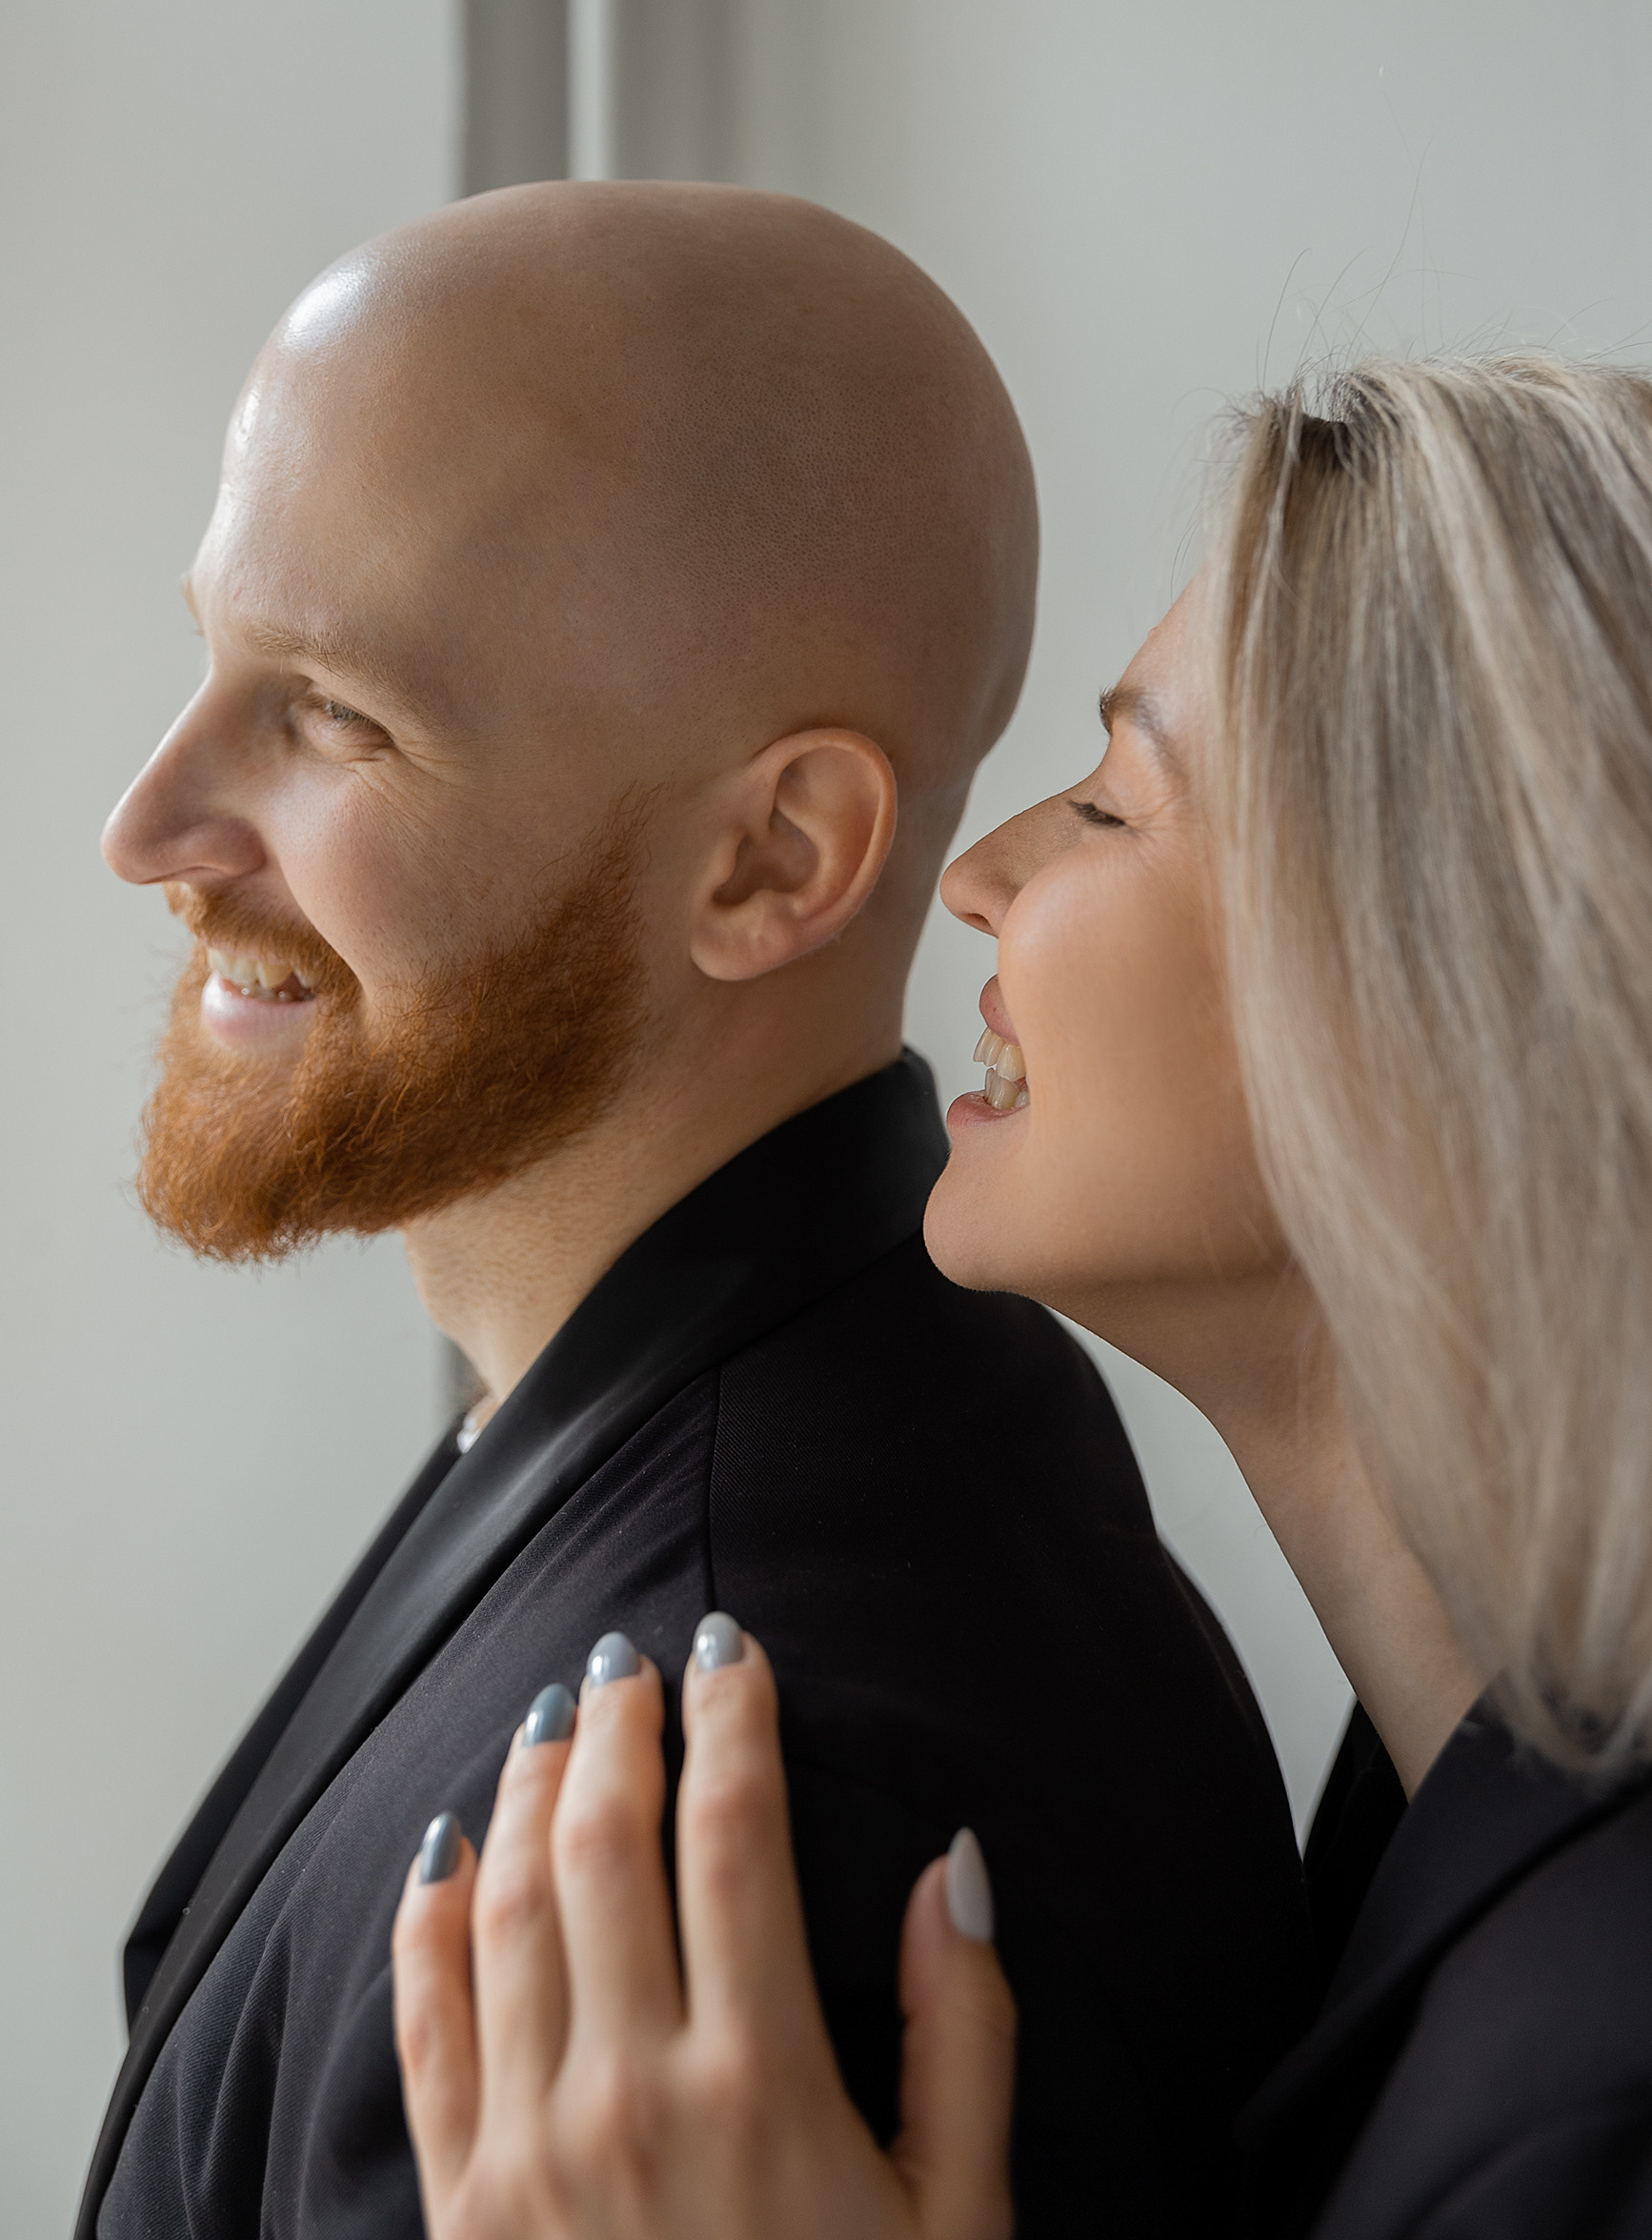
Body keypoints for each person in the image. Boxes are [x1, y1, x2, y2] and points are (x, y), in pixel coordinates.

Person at [80, 183, 1313, 2240]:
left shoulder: (708, 1845)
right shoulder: (754, 1393)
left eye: (335, 716)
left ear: (772, 858)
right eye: (216, 655)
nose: (149, 826)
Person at [394, 353, 1652, 2240]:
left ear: (1441, 1004)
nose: (977, 872)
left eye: (1119, 805)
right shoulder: (1437, 1842)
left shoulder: (1597, 2097)